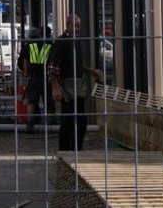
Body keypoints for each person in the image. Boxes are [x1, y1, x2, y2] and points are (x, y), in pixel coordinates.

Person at [47, 14, 102, 151]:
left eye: (79, 26)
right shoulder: (61, 42)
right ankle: (66, 148)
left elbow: (76, 65)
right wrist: (55, 87)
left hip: (78, 84)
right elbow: (53, 66)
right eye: (76, 26)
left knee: (80, 119)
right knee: (69, 119)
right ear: (68, 25)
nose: (78, 29)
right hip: (67, 85)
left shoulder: (76, 41)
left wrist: (91, 71)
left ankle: (77, 147)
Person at [17, 26, 51, 133]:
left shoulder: (28, 46)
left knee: (31, 101)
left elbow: (23, 63)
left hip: (32, 78)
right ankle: (50, 121)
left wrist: (25, 75)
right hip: (47, 77)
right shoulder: (48, 45)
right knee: (48, 100)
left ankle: (30, 123)